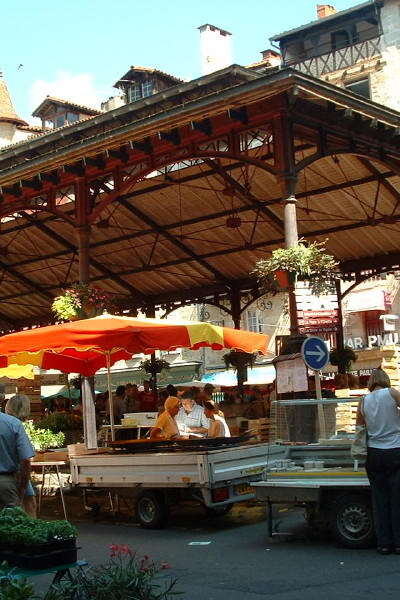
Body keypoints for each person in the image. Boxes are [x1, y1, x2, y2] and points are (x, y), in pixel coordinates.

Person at [356, 368, 400, 554]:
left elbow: (359, 428)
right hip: (395, 450)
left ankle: (383, 543)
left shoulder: (363, 401)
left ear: (371, 382)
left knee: (379, 499)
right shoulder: (392, 393)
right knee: (397, 498)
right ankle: (398, 543)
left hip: (374, 453)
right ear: (385, 380)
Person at [5, 394, 37, 517]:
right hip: (15, 474)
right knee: (28, 506)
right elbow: (25, 460)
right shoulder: (15, 424)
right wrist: (23, 486)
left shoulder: (7, 423)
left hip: (12, 473)